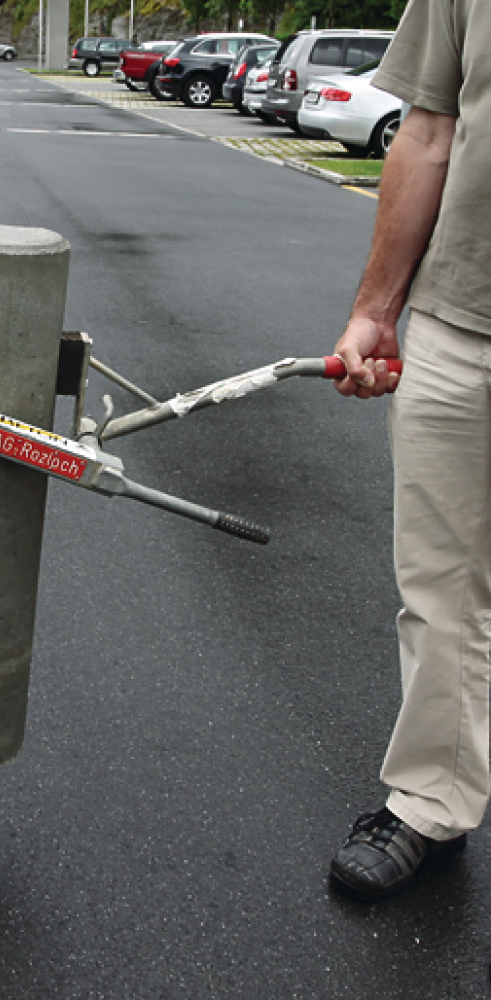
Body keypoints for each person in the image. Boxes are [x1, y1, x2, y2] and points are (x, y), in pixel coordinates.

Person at [328, 0, 491, 900]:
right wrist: (377, 310)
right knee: (442, 587)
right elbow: (427, 131)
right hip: (459, 323)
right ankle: (433, 798)